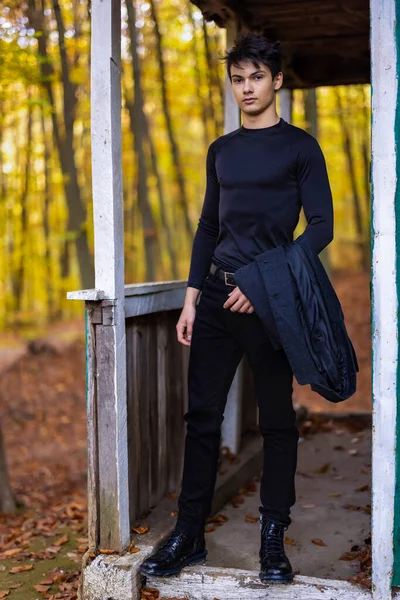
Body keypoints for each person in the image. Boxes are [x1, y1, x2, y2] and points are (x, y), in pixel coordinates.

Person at [140, 32, 334, 585]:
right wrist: (191, 299)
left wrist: (268, 280)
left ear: (276, 80)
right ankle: (189, 535)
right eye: (238, 79)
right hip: (217, 300)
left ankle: (273, 540)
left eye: (256, 77)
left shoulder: (301, 147)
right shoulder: (221, 151)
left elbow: (321, 226)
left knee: (275, 422)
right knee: (200, 419)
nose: (247, 88)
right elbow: (208, 227)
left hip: (270, 304)